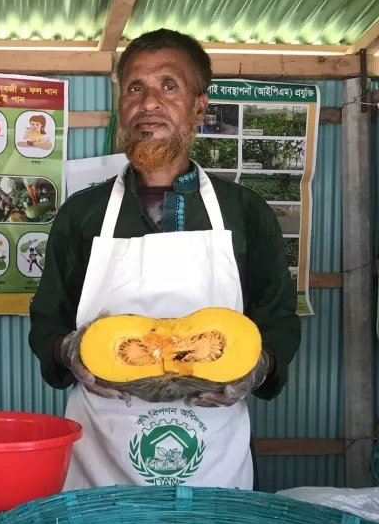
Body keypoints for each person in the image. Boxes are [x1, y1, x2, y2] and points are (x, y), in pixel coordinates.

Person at [28, 28, 301, 492]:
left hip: (214, 456)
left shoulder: (245, 212)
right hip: (102, 458)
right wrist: (67, 351)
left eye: (168, 86)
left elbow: (278, 321)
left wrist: (260, 365)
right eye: (135, 87)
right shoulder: (81, 213)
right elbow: (46, 323)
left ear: (198, 105)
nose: (148, 103)